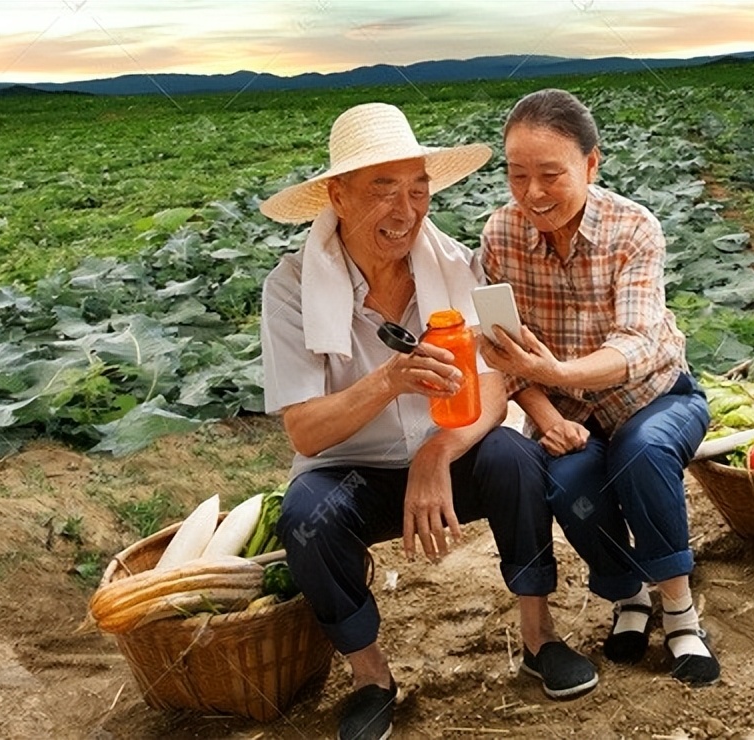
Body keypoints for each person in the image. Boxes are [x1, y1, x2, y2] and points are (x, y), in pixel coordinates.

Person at [257, 102, 597, 740]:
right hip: (350, 475)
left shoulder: (455, 265)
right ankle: (370, 676)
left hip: (449, 456)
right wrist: (388, 380)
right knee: (304, 519)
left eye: (418, 190)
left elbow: (494, 385)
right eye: (382, 190)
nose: (405, 211)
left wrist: (436, 455)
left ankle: (538, 636)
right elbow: (305, 432)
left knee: (516, 459)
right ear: (337, 196)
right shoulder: (292, 288)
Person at [478, 89, 721, 686]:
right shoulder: (500, 236)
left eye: (551, 175)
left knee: (640, 450)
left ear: (591, 164)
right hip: (568, 415)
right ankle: (630, 593)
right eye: (517, 175)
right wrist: (545, 408)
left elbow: (638, 343)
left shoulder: (633, 228)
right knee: (567, 481)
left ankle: (680, 611)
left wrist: (556, 372)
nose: (532, 193)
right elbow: (505, 357)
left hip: (658, 397)